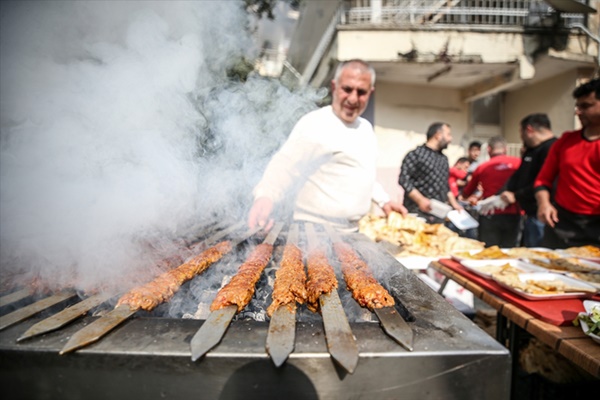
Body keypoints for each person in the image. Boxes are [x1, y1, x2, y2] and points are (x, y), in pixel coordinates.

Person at [247, 59, 407, 232]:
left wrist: (384, 201)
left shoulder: (366, 129)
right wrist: (265, 196)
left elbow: (363, 173)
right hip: (313, 231)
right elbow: (285, 164)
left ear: (370, 93)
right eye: (347, 89)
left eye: (361, 92)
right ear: (334, 86)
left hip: (353, 232)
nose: (353, 98)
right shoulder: (316, 123)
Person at [534, 78, 600, 248]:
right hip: (562, 225)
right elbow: (542, 181)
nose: (578, 112)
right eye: (577, 107)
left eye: (585, 106)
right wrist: (544, 203)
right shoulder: (565, 141)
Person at [499, 113, 557, 247]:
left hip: (543, 215)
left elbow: (544, 182)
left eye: (521, 132)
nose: (521, 137)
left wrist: (516, 195)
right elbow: (519, 175)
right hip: (530, 214)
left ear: (529, 130)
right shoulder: (531, 150)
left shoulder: (552, 148)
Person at [462, 136, 522, 247]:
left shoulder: (482, 167)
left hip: (489, 214)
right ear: (506, 149)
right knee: (510, 253)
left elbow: (466, 193)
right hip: (514, 214)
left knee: (488, 253)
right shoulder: (518, 163)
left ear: (489, 149)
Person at [398, 122, 462, 224]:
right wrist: (420, 200)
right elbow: (404, 180)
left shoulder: (444, 159)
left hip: (438, 215)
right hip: (417, 213)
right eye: (448, 134)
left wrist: (455, 204)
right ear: (438, 135)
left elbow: (445, 185)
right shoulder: (415, 155)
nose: (450, 139)